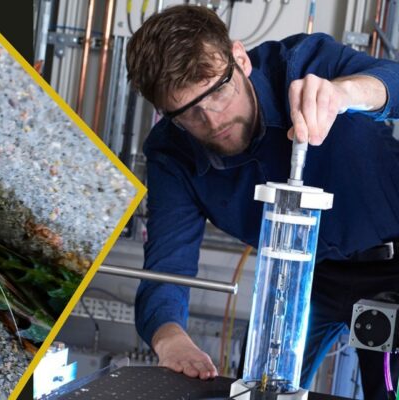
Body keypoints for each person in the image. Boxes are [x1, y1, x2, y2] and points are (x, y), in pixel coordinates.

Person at [126, 4, 399, 398]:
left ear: (240, 58)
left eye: (219, 91)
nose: (213, 120)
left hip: (392, 265)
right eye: (188, 112)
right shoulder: (171, 152)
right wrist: (171, 339)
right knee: (259, 388)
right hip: (299, 277)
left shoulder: (302, 64)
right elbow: (167, 267)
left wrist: (346, 92)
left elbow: (393, 80)